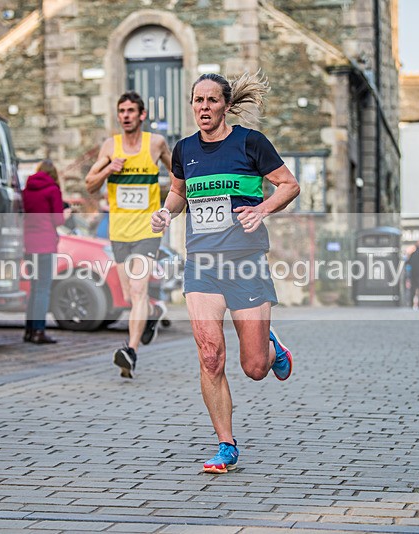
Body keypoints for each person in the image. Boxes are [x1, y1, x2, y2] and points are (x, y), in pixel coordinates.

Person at [150, 71, 300, 473]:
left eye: (212, 100)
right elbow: (178, 192)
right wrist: (166, 211)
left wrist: (262, 209)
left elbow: (288, 185)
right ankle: (226, 444)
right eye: (198, 100)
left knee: (254, 368)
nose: (204, 107)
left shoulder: (251, 143)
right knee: (211, 356)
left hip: (245, 262)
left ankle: (272, 348)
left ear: (226, 106)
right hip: (202, 264)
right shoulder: (184, 149)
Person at [84, 91, 173, 378]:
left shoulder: (156, 143)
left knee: (137, 290)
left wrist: (170, 207)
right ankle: (152, 313)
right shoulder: (110, 146)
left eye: (131, 111)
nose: (125, 116)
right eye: (121, 111)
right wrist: (108, 169)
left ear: (141, 115)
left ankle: (130, 351)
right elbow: (89, 184)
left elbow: (178, 176)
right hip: (119, 230)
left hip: (148, 229)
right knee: (128, 295)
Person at [23, 159, 64, 343]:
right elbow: (58, 220)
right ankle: (39, 331)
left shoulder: (26, 191)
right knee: (43, 289)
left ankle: (29, 331)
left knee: (34, 288)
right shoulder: (53, 190)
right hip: (46, 245)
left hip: (28, 245)